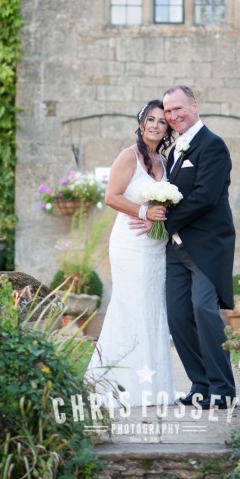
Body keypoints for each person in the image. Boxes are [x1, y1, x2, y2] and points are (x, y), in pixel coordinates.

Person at [133, 85, 236, 409]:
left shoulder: (213, 146)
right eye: (168, 111)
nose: (173, 116)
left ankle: (222, 388)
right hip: (175, 250)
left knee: (204, 310)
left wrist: (164, 222)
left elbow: (206, 197)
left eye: (179, 108)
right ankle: (200, 384)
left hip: (206, 246)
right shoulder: (176, 151)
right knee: (178, 316)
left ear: (194, 105)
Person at [84, 100, 175, 407]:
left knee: (153, 309)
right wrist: (143, 211)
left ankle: (153, 386)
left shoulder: (164, 161)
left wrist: (161, 217)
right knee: (131, 307)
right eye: (150, 119)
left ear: (166, 129)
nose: (155, 125)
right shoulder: (129, 156)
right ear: (140, 124)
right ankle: (118, 386)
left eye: (162, 122)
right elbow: (111, 196)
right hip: (130, 244)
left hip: (155, 247)